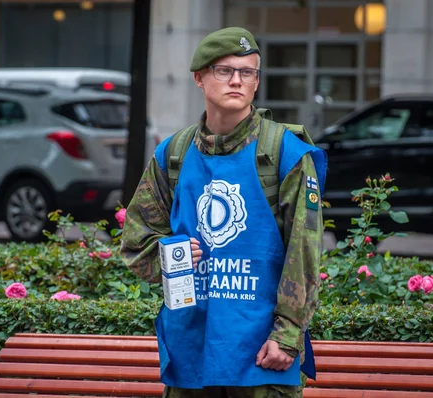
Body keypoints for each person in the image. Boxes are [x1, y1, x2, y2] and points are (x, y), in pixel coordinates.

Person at [121, 26, 327, 398]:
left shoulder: (284, 153)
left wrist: (288, 335)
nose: (237, 80)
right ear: (199, 78)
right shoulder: (173, 154)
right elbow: (136, 241)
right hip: (190, 353)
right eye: (224, 70)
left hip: (263, 358)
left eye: (247, 72)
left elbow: (305, 252)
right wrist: (172, 256)